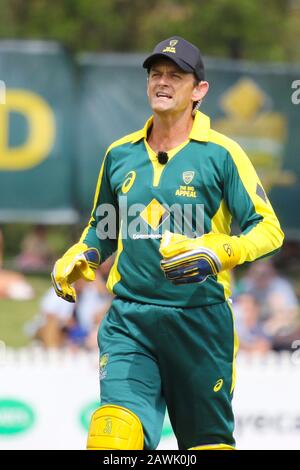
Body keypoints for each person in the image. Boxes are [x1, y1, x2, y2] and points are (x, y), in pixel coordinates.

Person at [51, 36, 284, 450]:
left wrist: (219, 252)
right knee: (113, 438)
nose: (162, 82)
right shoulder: (119, 154)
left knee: (206, 445)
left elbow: (268, 229)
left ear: (199, 91)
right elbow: (103, 227)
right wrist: (83, 254)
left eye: (175, 76)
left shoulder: (222, 154)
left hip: (200, 322)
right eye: (155, 74)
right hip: (130, 320)